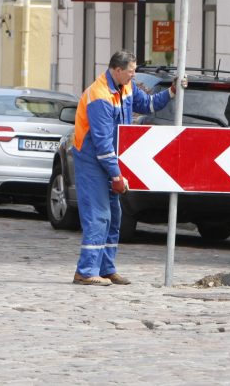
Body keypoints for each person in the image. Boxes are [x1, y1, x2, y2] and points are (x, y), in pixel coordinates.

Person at [71, 50, 185, 286]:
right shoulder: (100, 95)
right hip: (92, 160)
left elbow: (149, 104)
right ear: (117, 70)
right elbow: (102, 143)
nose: (134, 75)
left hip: (110, 158)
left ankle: (106, 268)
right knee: (98, 215)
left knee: (114, 216)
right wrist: (116, 175)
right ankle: (86, 270)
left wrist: (173, 91)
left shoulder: (127, 87)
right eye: (131, 71)